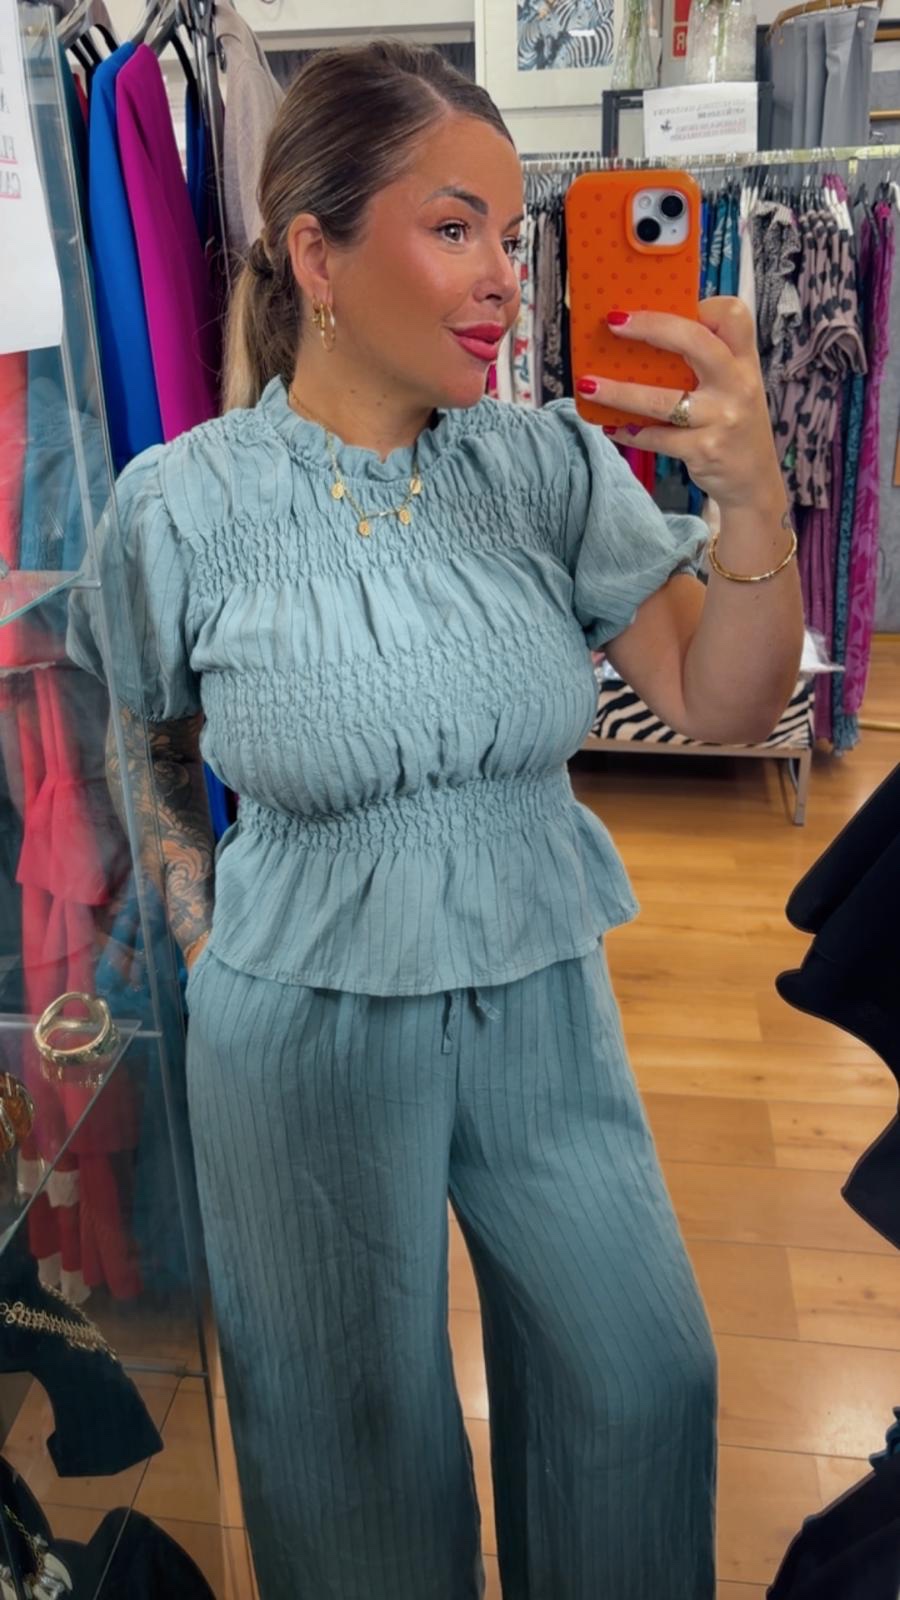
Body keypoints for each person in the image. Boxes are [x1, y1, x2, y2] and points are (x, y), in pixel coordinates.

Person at [69, 38, 804, 1600]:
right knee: (349, 1437)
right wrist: (211, 950)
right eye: (454, 227)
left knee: (642, 1375)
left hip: (542, 990)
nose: (502, 279)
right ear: (316, 256)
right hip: (301, 1024)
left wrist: (756, 503)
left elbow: (720, 701)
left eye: (511, 235)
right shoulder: (181, 503)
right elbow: (149, 744)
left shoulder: (548, 470)